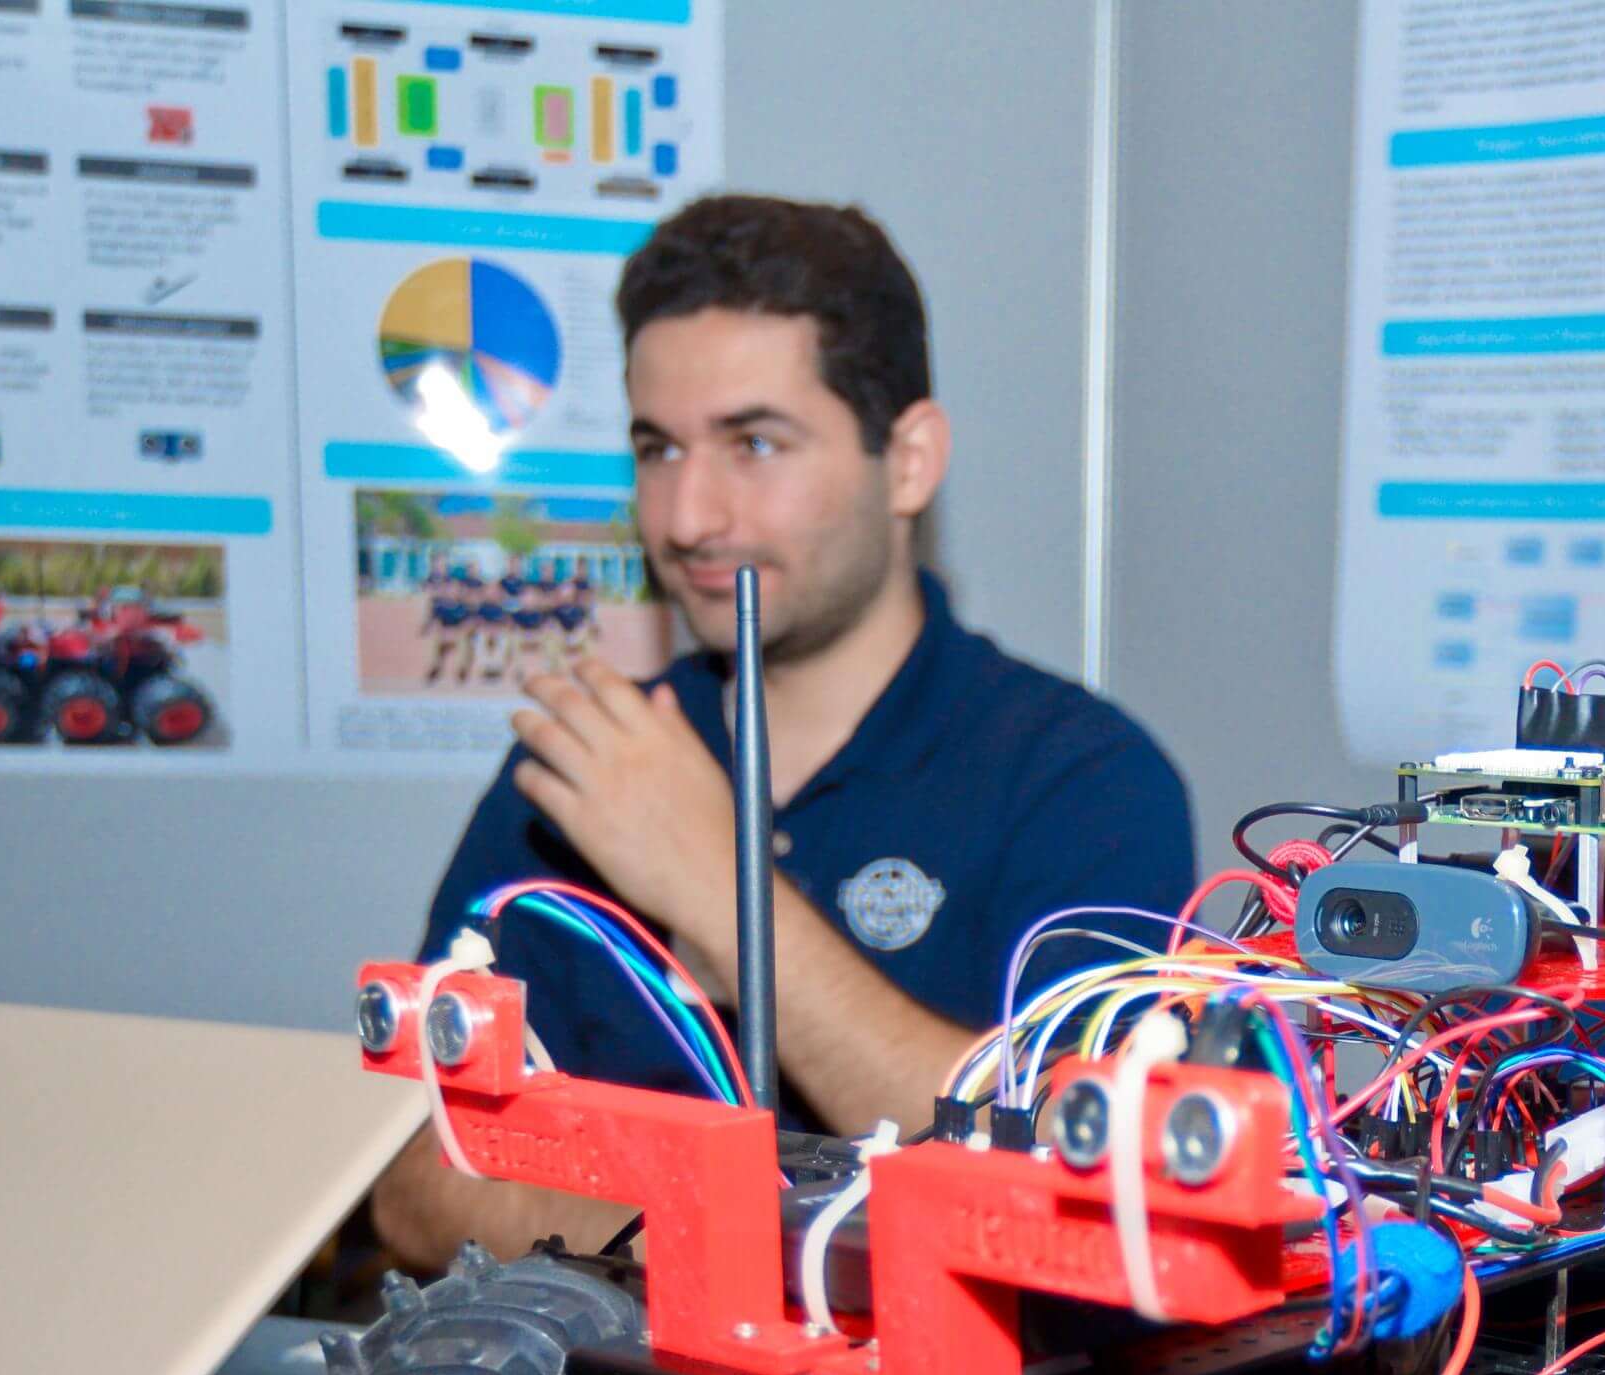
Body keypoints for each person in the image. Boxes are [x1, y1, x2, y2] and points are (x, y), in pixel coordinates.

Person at [374, 193, 1194, 1273]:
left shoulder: (1081, 777)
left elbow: (1057, 1188)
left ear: (906, 460)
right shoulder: (591, 760)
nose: (687, 518)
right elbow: (416, 1187)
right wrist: (730, 1235)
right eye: (658, 449)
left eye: (754, 443)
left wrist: (717, 892)